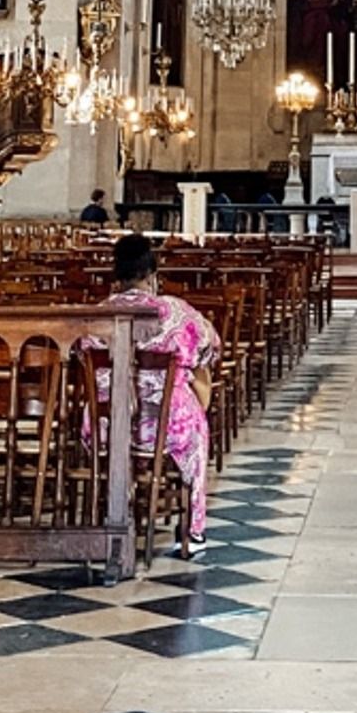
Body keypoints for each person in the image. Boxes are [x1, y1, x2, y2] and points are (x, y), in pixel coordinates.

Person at [99, 232, 220, 554]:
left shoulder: (97, 314)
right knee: (197, 426)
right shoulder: (176, 313)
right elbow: (209, 350)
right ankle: (193, 533)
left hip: (106, 426)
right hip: (167, 427)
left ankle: (106, 510)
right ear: (152, 276)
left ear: (117, 276)